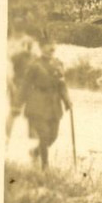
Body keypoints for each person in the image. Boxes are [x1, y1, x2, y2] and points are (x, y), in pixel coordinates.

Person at [17, 38, 71, 169]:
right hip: (38, 103)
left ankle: (35, 152)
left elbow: (62, 85)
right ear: (41, 47)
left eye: (53, 44)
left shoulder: (58, 64)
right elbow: (25, 84)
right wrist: (17, 104)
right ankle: (45, 166)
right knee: (44, 135)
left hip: (54, 104)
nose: (52, 48)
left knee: (53, 136)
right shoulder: (34, 64)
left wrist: (67, 100)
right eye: (48, 45)